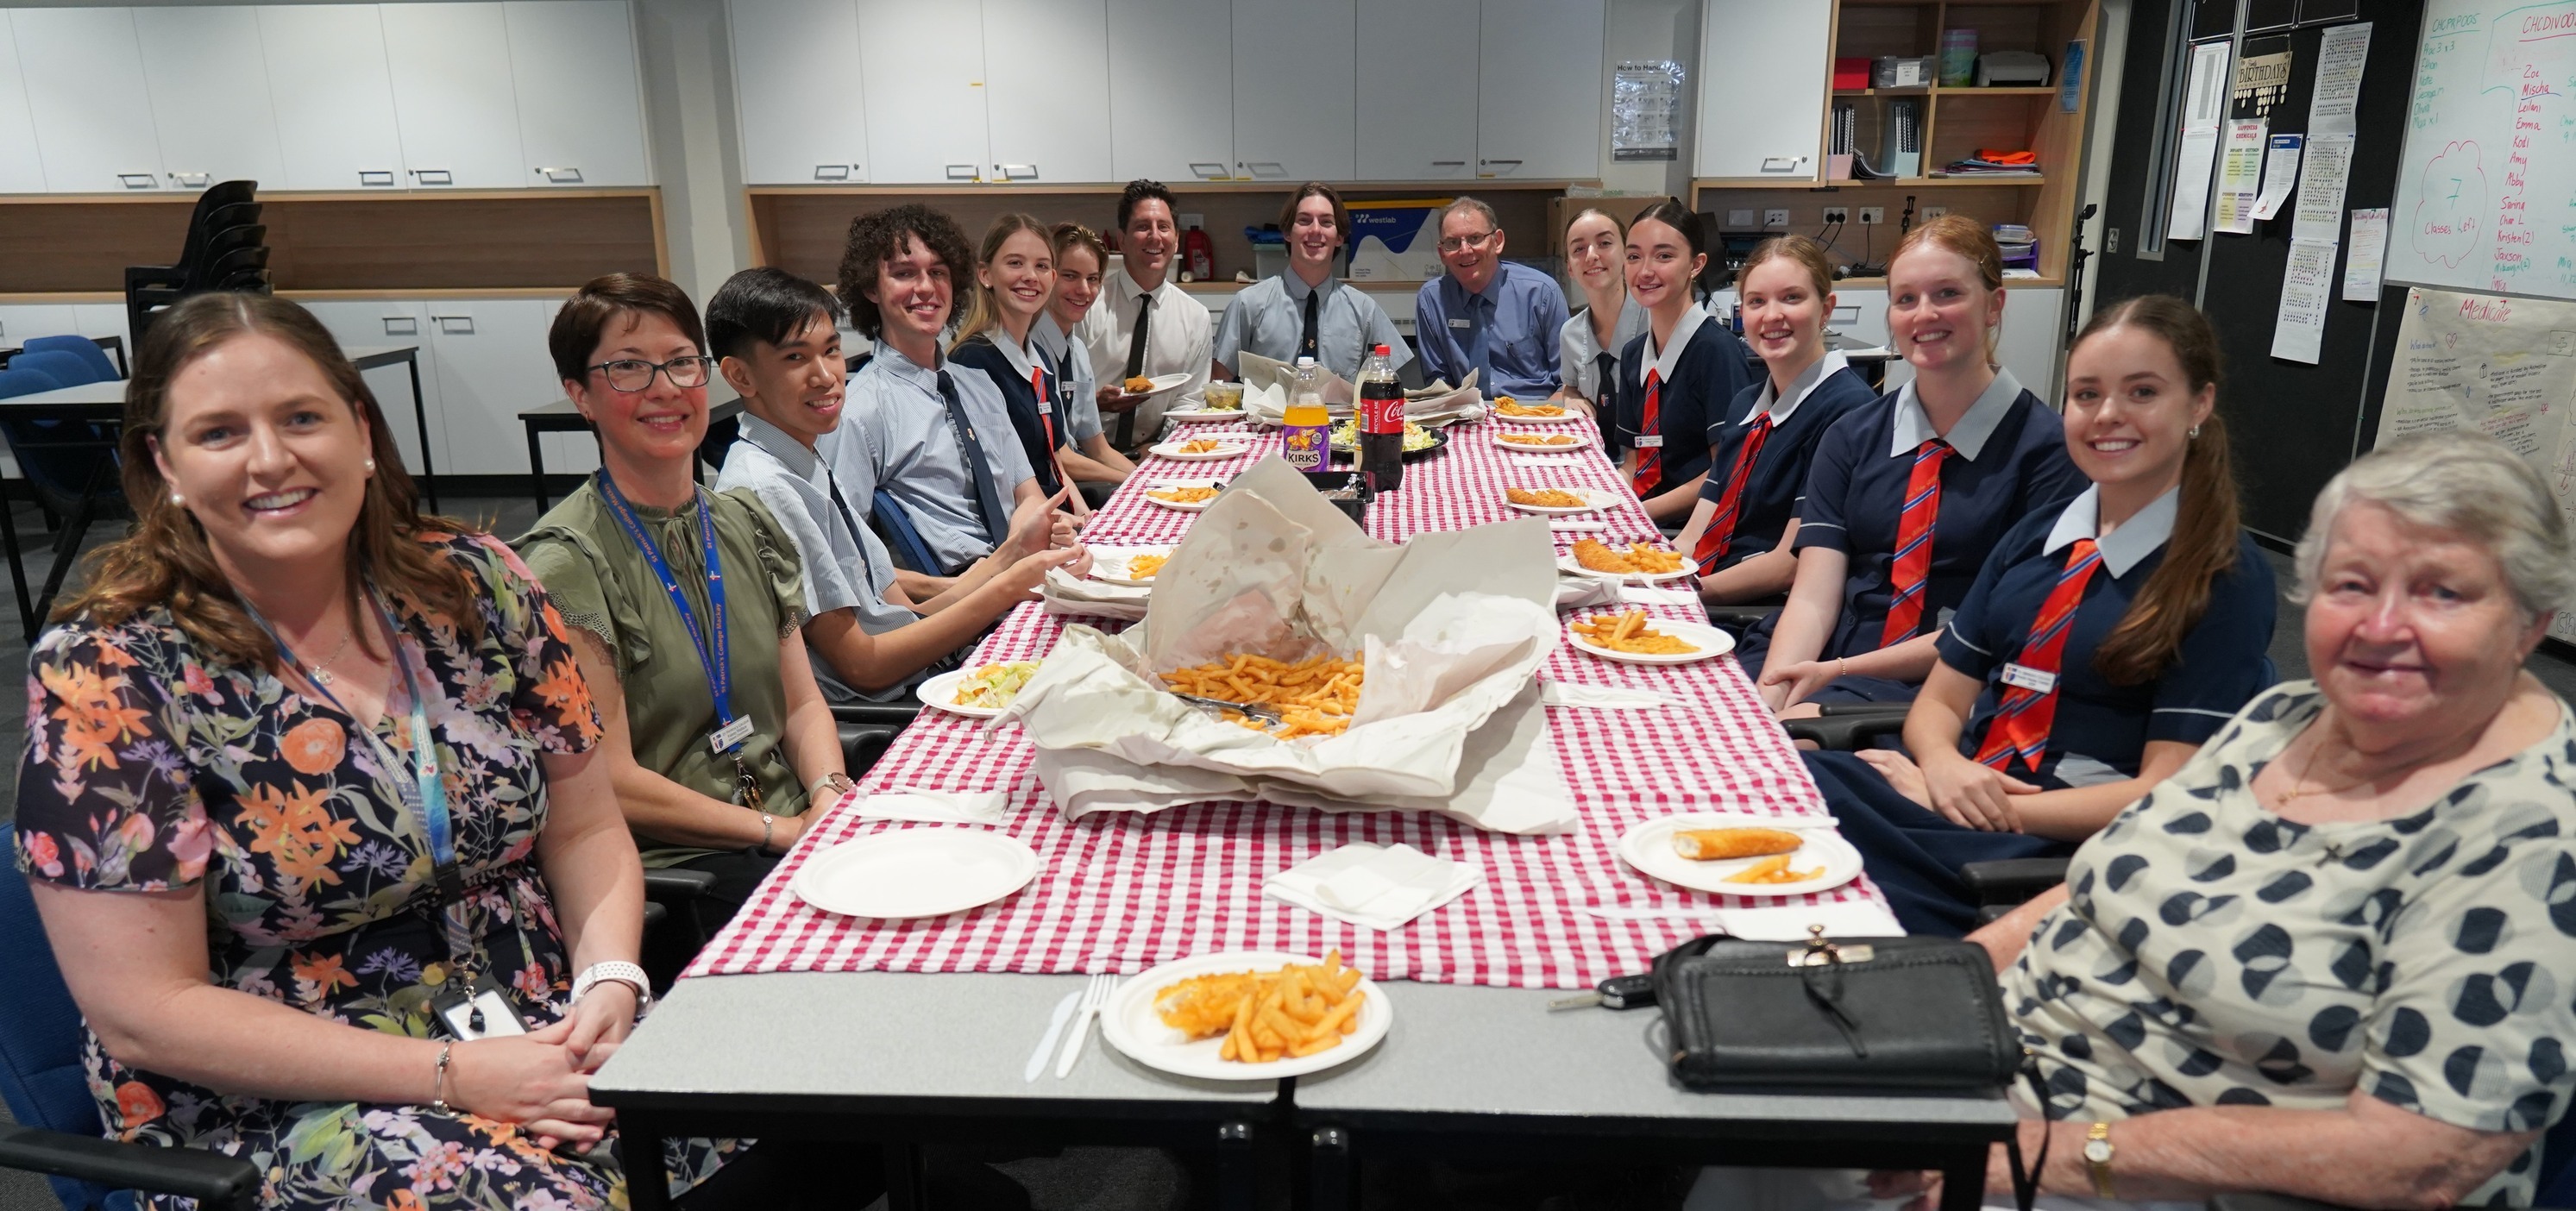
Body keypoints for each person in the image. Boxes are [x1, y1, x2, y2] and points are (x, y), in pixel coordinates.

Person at [11, 291, 746, 1207]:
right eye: (219, 433)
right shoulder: (110, 673)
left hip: (544, 1026)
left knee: (794, 1124)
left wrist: (610, 982)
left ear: (362, 431)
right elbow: (145, 1013)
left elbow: (587, 825)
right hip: (284, 1103)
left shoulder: (479, 587)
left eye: (301, 417)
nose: (270, 459)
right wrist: (451, 1076)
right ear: (164, 465)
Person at [1902, 430, 2576, 1208]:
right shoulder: (2285, 716)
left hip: (2139, 1174)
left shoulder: (2530, 836)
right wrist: (1933, 997)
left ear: (2531, 623)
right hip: (2015, 1093)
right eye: (2352, 585)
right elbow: (2099, 883)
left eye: (2443, 594)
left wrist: (2032, 1156)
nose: (2383, 627)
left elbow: (2414, 1159)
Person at [1800, 296, 2276, 937]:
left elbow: (2169, 791)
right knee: (1784, 784)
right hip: (1964, 795)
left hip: (2051, 849)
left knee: (1808, 864)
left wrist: (1995, 807)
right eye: (2086, 394)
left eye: (2142, 392)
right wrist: (1941, 769)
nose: (2109, 415)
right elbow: (1939, 704)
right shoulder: (2039, 536)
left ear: (2199, 404)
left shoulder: (2222, 575)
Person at [516, 273, 851, 937]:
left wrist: (831, 795)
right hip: (687, 865)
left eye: (680, 363)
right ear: (579, 395)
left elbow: (804, 703)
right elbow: (613, 778)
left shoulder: (744, 521)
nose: (665, 388)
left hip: (792, 824)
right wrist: (779, 830)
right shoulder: (566, 562)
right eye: (629, 369)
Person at [1747, 215, 2085, 712]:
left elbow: (2001, 624)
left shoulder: (2050, 452)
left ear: (1994, 305)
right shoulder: (1852, 437)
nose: (1923, 314)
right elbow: (1814, 596)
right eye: (1906, 299)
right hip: (1824, 656)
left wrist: (1831, 681)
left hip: (1946, 685)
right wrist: (1774, 691)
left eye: (1947, 293)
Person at [707, 267, 1086, 705]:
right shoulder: (766, 487)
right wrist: (1006, 585)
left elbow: (905, 613)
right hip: (885, 710)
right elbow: (865, 667)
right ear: (739, 377)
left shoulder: (804, 457)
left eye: (830, 351)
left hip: (918, 669)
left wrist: (1012, 556)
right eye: (795, 358)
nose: (826, 375)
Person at [834, 203, 1059, 578]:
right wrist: (986, 578)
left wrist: (1030, 537)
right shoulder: (861, 410)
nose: (926, 287)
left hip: (1020, 573)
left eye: (938, 272)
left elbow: (1028, 492)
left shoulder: (979, 384)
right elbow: (845, 555)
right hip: (961, 597)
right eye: (905, 273)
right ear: (872, 288)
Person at [1669, 235, 1876, 605]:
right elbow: (1693, 534)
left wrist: (1682, 595)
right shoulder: (1746, 405)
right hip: (1703, 589)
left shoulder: (1848, 412)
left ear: (1826, 309)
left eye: (1792, 297)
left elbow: (1789, 564)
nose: (1771, 315)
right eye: (1756, 302)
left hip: (1759, 608)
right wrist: (1649, 573)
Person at [1609, 198, 1756, 525]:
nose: (1645, 271)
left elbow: (1726, 473)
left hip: (1696, 528)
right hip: (1645, 516)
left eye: (1664, 256)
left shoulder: (1717, 352)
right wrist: (1609, 500)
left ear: (1696, 264)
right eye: (1634, 257)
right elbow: (1633, 463)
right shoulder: (1635, 354)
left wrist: (1637, 514)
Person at [1211, 182, 1411, 383]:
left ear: (1340, 237)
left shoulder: (1364, 311)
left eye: (1326, 222)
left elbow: (1390, 385)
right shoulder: (1248, 305)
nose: (1315, 230)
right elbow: (1220, 386)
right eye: (1304, 221)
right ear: (1287, 233)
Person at [1073, 179, 1212, 453]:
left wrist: (1161, 446)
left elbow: (1190, 400)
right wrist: (1095, 402)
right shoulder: (1088, 304)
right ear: (1122, 240)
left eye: (1163, 227)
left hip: (1158, 450)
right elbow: (1060, 393)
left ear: (1176, 239)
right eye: (1142, 227)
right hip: (1086, 451)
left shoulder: (1196, 316)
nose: (1155, 236)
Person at [949, 212, 1079, 503]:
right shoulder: (971, 362)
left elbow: (1055, 463)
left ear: (1053, 278)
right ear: (985, 274)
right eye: (1015, 263)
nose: (1031, 276)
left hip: (1057, 515)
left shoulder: (1039, 359)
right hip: (1023, 526)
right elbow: (993, 484)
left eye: (1042, 266)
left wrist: (1086, 519)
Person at [1413, 196, 1570, 399]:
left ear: (1497, 242)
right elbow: (1439, 382)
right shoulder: (1432, 300)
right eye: (1453, 242)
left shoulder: (1542, 293)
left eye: (1475, 238)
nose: (1465, 250)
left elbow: (1568, 383)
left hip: (1534, 413)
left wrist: (1542, 418)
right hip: (1465, 417)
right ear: (1442, 252)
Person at [1034, 222, 1134, 507]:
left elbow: (1099, 449)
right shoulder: (1029, 349)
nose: (1083, 290)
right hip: (1047, 489)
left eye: (1093, 279)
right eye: (1070, 276)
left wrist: (1149, 480)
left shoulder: (1077, 349)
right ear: (1048, 276)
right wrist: (1132, 481)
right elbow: (1059, 456)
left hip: (1075, 479)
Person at [1550, 205, 1649, 420]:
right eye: (1579, 249)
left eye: (1604, 243)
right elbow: (1570, 386)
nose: (1591, 255)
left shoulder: (1656, 324)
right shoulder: (1570, 332)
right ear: (1569, 268)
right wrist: (1571, 397)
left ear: (1627, 255)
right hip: (1589, 450)